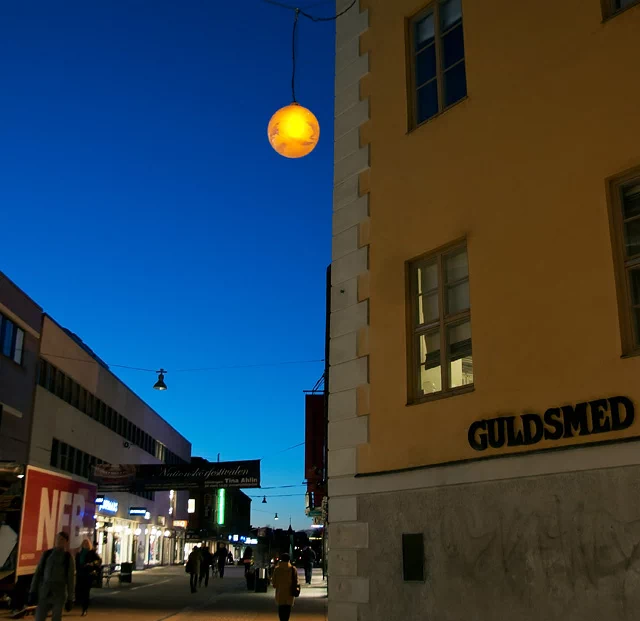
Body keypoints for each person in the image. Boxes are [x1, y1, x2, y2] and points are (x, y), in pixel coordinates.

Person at [29, 532, 75, 621]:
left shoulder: (68, 557)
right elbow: (38, 573)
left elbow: (71, 580)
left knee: (56, 618)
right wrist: (32, 591)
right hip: (44, 592)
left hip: (59, 593)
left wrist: (70, 598)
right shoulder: (47, 554)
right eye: (58, 538)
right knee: (39, 617)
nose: (59, 541)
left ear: (66, 542)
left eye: (62, 539)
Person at [75, 538, 101, 616]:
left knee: (86, 592)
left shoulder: (92, 553)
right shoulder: (79, 553)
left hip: (87, 575)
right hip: (80, 574)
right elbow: (77, 564)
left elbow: (98, 561)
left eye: (87, 543)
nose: (85, 544)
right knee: (79, 591)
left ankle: (84, 609)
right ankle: (80, 604)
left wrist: (92, 564)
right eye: (84, 543)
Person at [272, 553, 299, 621]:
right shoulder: (293, 569)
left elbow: (274, 583)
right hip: (290, 593)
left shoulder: (277, 569)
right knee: (287, 610)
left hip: (280, 593)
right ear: (289, 560)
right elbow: (296, 581)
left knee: (281, 609)